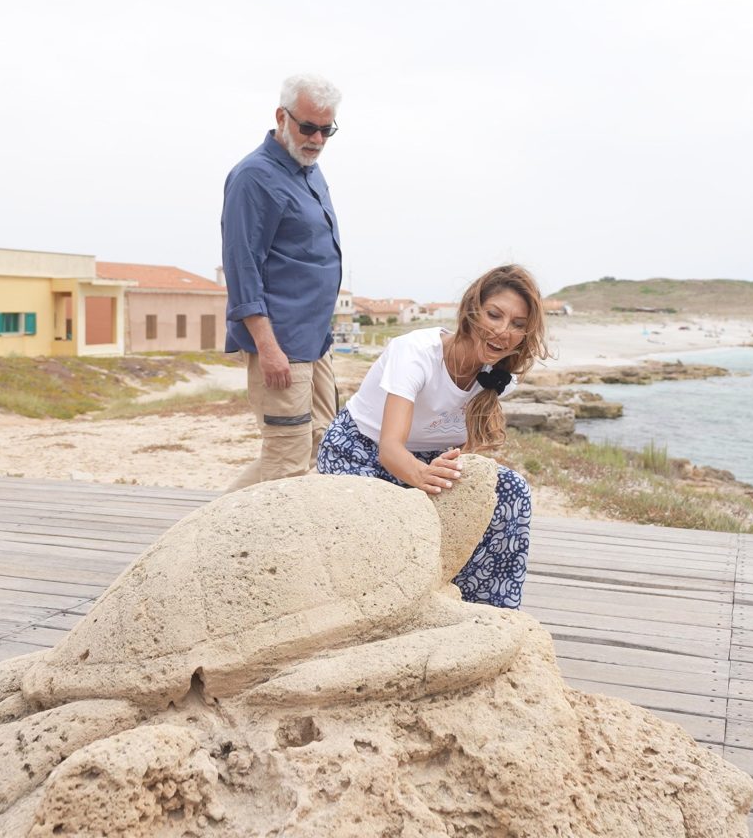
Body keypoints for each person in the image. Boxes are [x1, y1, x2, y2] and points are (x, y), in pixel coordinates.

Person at [317, 264, 547, 610]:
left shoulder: (499, 379)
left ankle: (485, 609)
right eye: (494, 315)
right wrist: (422, 478)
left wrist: (448, 475)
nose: (503, 332)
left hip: (428, 459)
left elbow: (463, 448)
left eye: (517, 325)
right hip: (360, 450)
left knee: (511, 490)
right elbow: (390, 449)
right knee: (391, 530)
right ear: (471, 310)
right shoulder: (415, 353)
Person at [221, 73, 343, 492]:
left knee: (322, 443)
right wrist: (268, 348)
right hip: (280, 342)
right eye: (308, 127)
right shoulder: (254, 177)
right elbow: (242, 266)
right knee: (286, 457)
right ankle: (219, 540)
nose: (317, 139)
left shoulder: (310, 170)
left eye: (326, 130)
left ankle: (212, 526)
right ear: (281, 116)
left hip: (314, 341)